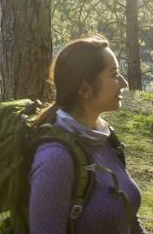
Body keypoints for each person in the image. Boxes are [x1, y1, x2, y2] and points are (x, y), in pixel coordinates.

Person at [29, 36, 143, 233]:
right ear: (85, 89)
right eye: (114, 74)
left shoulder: (104, 136)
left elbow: (128, 218)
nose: (123, 82)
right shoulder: (55, 159)